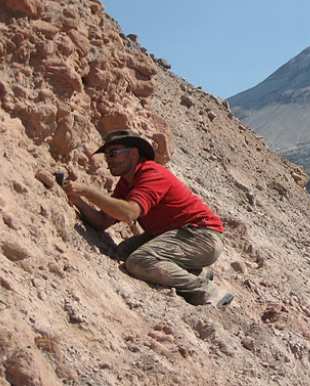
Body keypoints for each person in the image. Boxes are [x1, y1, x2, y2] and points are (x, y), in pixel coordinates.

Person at [63, 129, 233, 306]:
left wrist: (86, 191)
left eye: (113, 153)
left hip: (201, 236)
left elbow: (129, 213)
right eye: (106, 156)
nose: (108, 161)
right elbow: (102, 222)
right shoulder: (126, 183)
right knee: (123, 252)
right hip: (174, 235)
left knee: (139, 261)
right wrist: (75, 197)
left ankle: (207, 290)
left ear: (134, 153)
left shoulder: (151, 173)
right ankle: (196, 272)